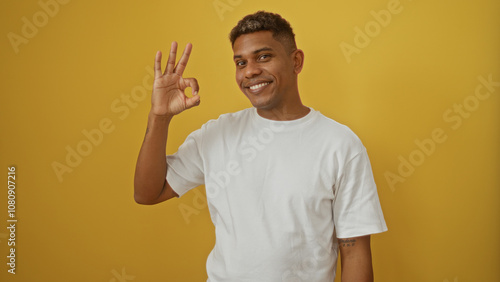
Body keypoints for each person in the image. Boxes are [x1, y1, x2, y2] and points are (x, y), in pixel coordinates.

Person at [134, 11, 387, 282]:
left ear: (296, 61)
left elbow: (354, 251)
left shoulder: (340, 144)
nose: (250, 71)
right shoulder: (216, 134)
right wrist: (159, 117)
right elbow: (148, 192)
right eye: (240, 62)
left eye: (264, 57)